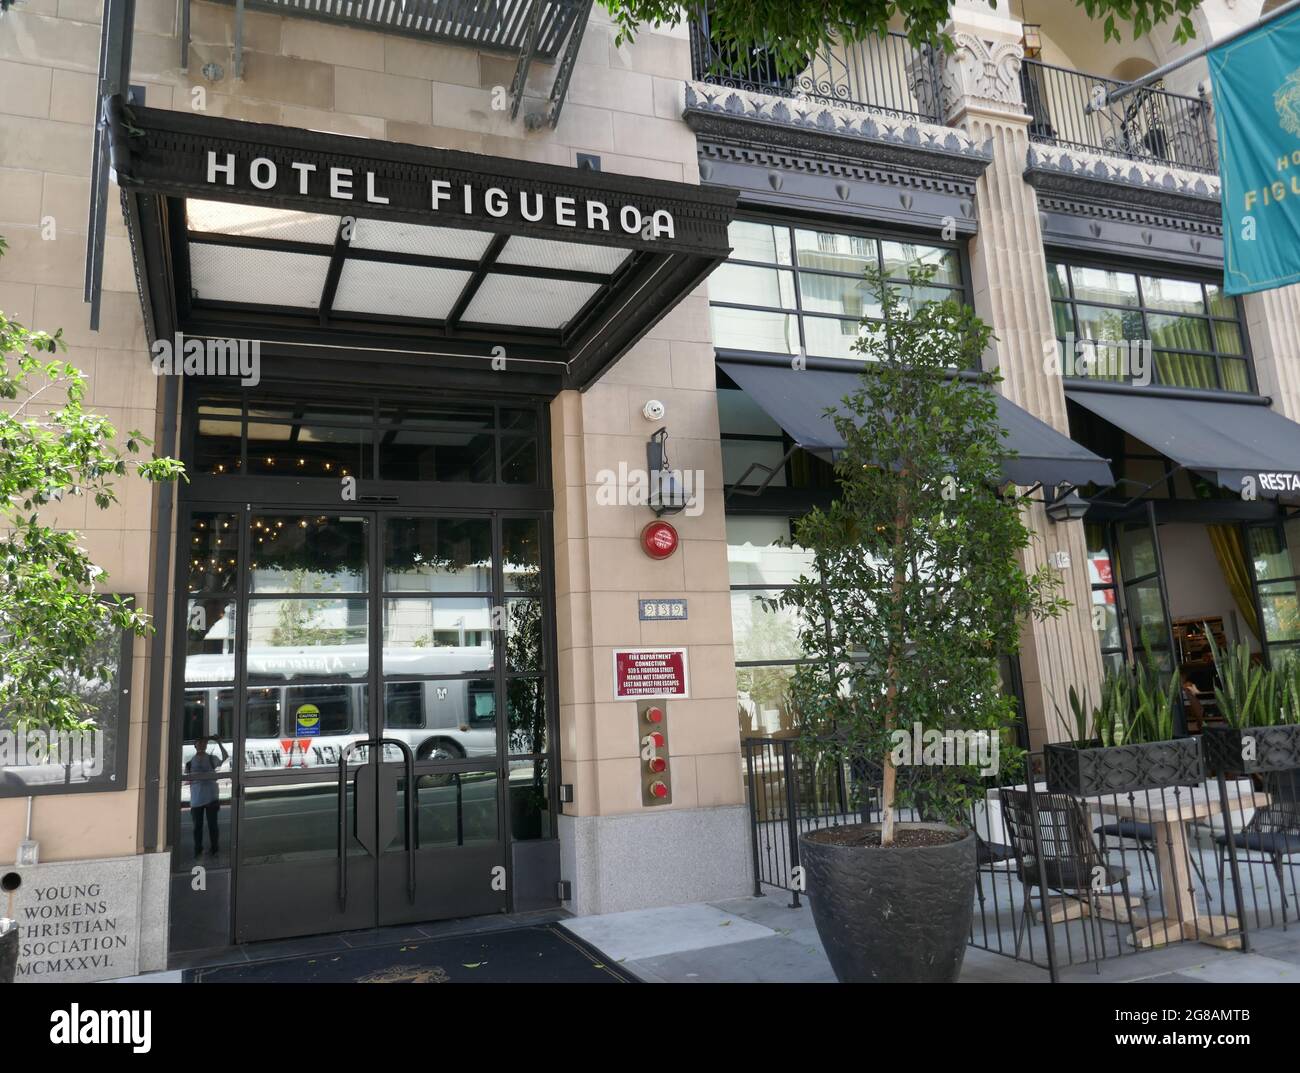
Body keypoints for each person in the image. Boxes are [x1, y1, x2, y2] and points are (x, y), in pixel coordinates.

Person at [185, 737, 229, 856]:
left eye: (203, 743)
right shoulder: (189, 764)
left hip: (210, 798)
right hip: (197, 799)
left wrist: (219, 743)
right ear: (195, 745)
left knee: (212, 826)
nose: (201, 745)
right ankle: (198, 849)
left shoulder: (211, 758)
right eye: (199, 743)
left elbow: (225, 756)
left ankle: (214, 849)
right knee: (197, 827)